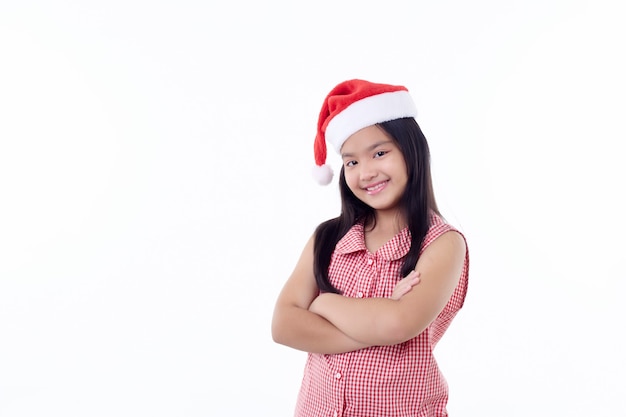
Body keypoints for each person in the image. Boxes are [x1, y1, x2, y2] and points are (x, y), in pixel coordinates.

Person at [271, 79, 469, 417]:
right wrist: (372, 321)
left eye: (379, 153)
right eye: (351, 162)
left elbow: (397, 325)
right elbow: (284, 325)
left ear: (411, 150)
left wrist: (323, 303)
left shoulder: (443, 244)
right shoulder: (328, 238)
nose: (366, 172)